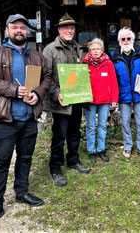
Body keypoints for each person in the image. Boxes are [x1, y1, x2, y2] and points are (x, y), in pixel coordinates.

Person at [0, 13, 51, 231]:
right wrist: (14, 90)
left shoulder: (37, 56)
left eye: (23, 28)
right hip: (5, 119)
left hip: (29, 117)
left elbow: (47, 77)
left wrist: (38, 93)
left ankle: (21, 192)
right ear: (7, 30)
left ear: (27, 31)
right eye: (15, 27)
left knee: (26, 157)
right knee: (1, 163)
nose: (19, 31)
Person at [43, 13, 90, 187]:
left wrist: (84, 75)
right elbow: (45, 76)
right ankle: (55, 168)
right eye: (66, 28)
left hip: (76, 99)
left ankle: (73, 160)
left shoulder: (78, 48)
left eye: (72, 28)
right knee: (59, 135)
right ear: (59, 30)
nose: (69, 30)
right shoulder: (50, 50)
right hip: (61, 101)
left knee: (74, 132)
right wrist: (57, 93)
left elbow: (75, 74)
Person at [111, 27, 140, 161]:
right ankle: (127, 146)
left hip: (139, 93)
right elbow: (111, 77)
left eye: (128, 38)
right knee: (125, 122)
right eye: (123, 39)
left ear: (133, 39)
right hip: (123, 95)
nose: (126, 41)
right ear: (119, 40)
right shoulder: (114, 56)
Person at [83, 38, 119, 164]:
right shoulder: (84, 63)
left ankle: (101, 150)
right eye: (93, 49)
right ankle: (91, 150)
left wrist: (114, 97)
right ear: (89, 51)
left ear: (102, 50)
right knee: (91, 126)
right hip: (89, 100)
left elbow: (113, 81)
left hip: (104, 99)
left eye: (98, 48)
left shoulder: (108, 63)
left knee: (102, 125)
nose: (95, 51)